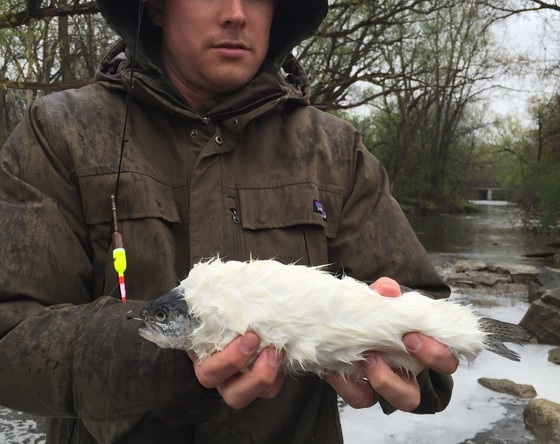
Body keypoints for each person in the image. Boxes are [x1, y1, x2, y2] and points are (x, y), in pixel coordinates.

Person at [0, 0, 458, 442]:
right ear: (156, 7)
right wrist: (167, 359)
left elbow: (427, 317)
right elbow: (11, 336)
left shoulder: (336, 151)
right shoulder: (58, 132)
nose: (237, 14)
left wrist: (412, 363)